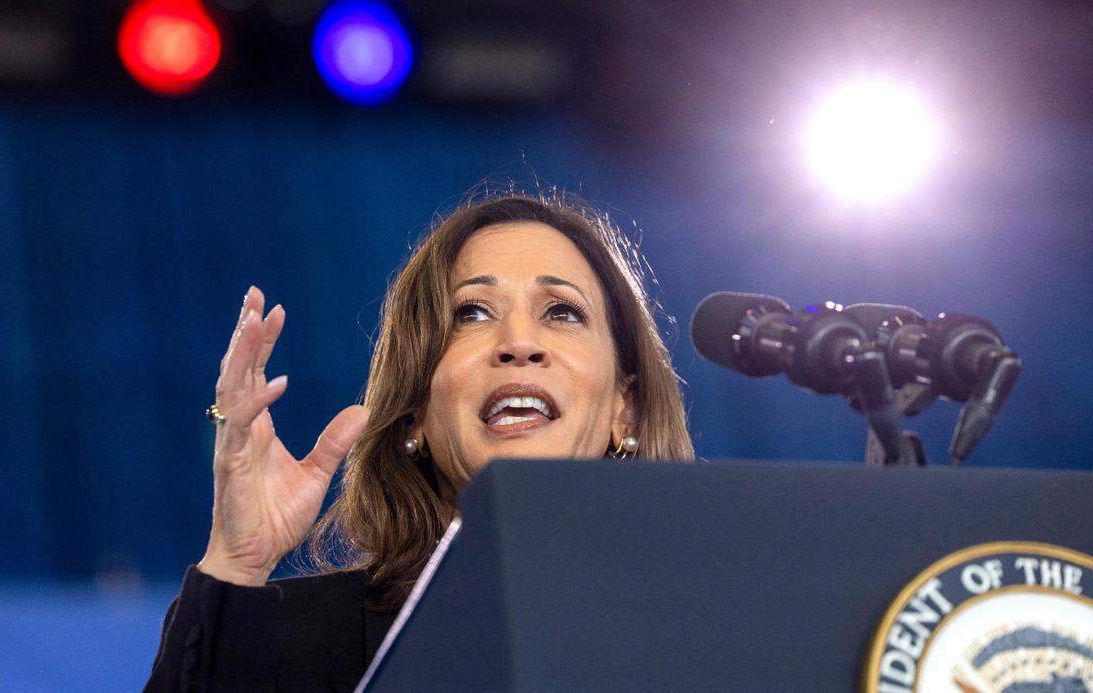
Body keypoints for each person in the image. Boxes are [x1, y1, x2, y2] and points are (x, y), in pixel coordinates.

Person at [145, 193, 695, 691]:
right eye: (471, 313)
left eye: (561, 312)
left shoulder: (704, 640)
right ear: (413, 416)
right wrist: (236, 561)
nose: (519, 342)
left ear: (625, 409)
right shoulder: (302, 645)